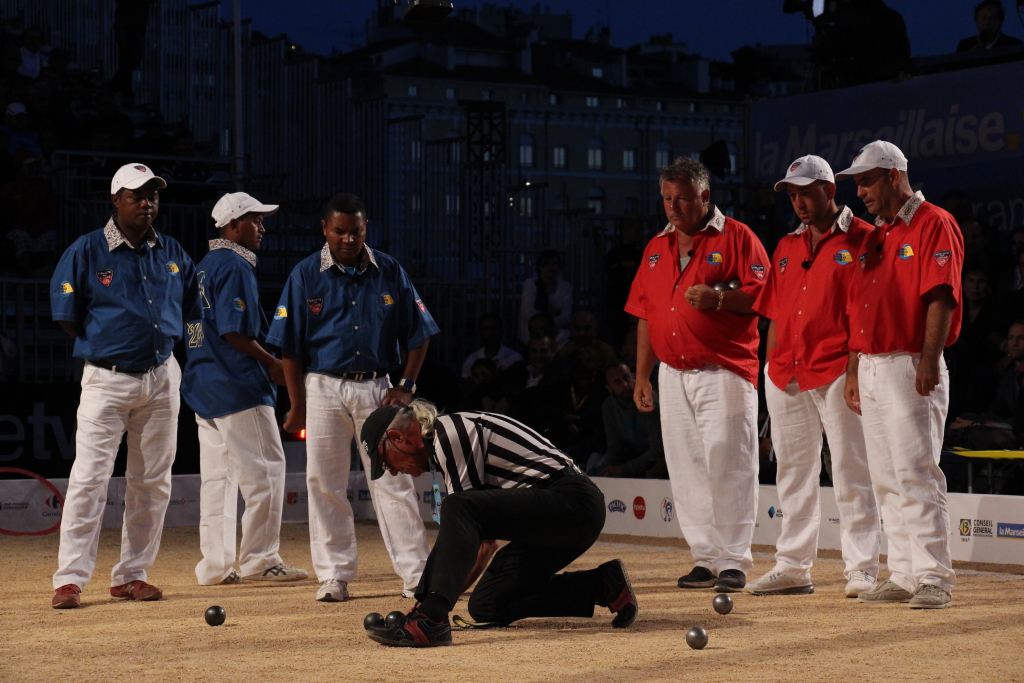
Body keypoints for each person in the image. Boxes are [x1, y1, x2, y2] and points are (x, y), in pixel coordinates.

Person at [266, 193, 438, 602]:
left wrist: (407, 386)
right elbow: (288, 347)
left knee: (392, 480)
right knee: (324, 482)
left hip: (379, 388)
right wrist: (296, 405)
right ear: (324, 229)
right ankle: (334, 575)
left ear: (366, 229)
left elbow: (421, 333)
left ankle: (417, 575)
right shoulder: (306, 274)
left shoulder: (389, 270)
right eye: (339, 231)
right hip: (322, 384)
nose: (347, 239)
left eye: (355, 231)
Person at [359, 400, 638, 647]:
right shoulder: (443, 442)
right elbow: (479, 540)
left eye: (386, 462)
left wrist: (430, 608)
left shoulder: (449, 433)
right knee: (487, 604)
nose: (393, 471)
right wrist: (427, 603)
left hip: (574, 503)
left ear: (398, 437)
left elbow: (474, 531)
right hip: (554, 517)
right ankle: (603, 584)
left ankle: (430, 622)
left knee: (458, 506)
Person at [48, 163, 201, 609]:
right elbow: (65, 316)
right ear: (115, 200)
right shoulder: (86, 250)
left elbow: (195, 316)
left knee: (152, 481)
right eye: (136, 195)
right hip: (107, 377)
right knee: (89, 479)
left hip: (161, 375)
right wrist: (103, 347)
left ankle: (132, 575)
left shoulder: (172, 251)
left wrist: (185, 356)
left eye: (153, 194)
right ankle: (70, 579)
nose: (147, 202)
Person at [626, 156, 769, 593]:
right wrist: (641, 377)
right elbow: (645, 316)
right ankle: (705, 557)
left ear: (705, 196)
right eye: (667, 198)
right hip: (671, 373)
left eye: (683, 198)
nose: (673, 207)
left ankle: (733, 560)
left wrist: (720, 301)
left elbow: (764, 296)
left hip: (723, 368)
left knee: (729, 461)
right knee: (687, 468)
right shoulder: (655, 247)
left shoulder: (738, 236)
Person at [748, 155, 881, 598]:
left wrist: (856, 372)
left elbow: (867, 314)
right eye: (792, 194)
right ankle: (792, 565)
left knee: (850, 470)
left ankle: (861, 567)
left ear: (830, 190)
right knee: (793, 472)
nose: (799, 202)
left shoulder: (865, 239)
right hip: (786, 372)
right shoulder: (786, 246)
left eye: (806, 192)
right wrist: (768, 371)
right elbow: (773, 317)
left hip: (838, 370)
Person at [838, 140, 964, 609]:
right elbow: (858, 309)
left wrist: (929, 359)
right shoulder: (877, 235)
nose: (860, 193)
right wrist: (854, 368)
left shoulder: (934, 222)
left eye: (866, 181)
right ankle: (904, 573)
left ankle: (934, 575)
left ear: (893, 175)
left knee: (915, 472)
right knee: (886, 476)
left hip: (910, 361)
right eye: (856, 184)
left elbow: (941, 296)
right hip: (871, 365)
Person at [181, 192, 309, 586]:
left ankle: (216, 566)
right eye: (256, 220)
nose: (262, 227)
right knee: (266, 472)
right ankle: (260, 558)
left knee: (218, 482)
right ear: (234, 226)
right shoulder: (235, 264)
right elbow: (233, 328)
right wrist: (271, 363)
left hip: (204, 384)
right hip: (237, 384)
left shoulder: (202, 266)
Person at [588, 361, 665, 479]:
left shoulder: (649, 401)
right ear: (609, 388)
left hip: (659, 457)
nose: (625, 384)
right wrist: (607, 469)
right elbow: (615, 446)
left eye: (626, 378)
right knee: (597, 473)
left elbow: (657, 449)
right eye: (617, 382)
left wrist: (623, 470)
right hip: (634, 455)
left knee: (652, 471)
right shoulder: (609, 407)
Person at [517, 250, 573, 345]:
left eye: (555, 263)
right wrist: (545, 325)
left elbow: (567, 315)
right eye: (547, 263)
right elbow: (528, 312)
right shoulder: (531, 284)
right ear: (540, 267)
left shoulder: (565, 286)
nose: (551, 267)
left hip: (555, 333)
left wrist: (548, 324)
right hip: (532, 334)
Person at [460, 313, 522, 378]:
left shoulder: (514, 359)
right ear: (481, 332)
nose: (490, 333)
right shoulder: (471, 360)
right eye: (486, 329)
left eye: (494, 328)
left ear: (501, 330)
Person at [956, 0, 1023, 52]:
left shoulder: (1014, 45)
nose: (987, 22)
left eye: (991, 19)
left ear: (1000, 21)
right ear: (976, 21)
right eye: (983, 19)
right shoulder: (965, 46)